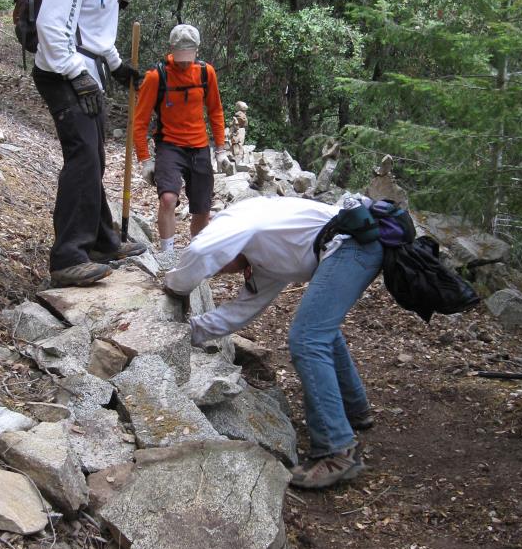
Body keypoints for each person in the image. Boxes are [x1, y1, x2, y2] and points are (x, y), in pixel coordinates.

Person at [163, 195, 383, 489]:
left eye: (219, 265)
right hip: (354, 244)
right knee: (320, 331)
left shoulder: (236, 221)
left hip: (351, 242)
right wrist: (185, 332)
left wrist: (175, 287)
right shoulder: (266, 258)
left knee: (307, 339)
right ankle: (354, 409)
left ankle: (337, 449)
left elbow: (201, 250)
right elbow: (239, 313)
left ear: (225, 245)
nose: (219, 271)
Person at [32, 0, 162, 287]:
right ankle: (68, 257)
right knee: (84, 157)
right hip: (61, 74)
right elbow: (51, 25)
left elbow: (94, 31)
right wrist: (77, 74)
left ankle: (103, 241)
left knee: (95, 158)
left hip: (86, 75)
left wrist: (117, 66)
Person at [132, 24, 228, 267]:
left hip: (199, 146)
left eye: (189, 57)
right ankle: (167, 255)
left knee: (202, 208)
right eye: (180, 57)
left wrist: (221, 149)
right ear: (172, 50)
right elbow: (140, 121)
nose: (184, 63)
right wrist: (145, 160)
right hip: (169, 146)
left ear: (197, 51)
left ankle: (196, 257)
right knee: (167, 199)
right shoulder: (156, 77)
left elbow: (216, 111)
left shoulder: (206, 73)